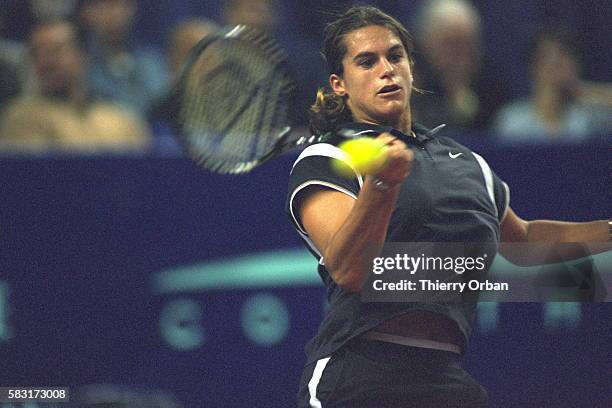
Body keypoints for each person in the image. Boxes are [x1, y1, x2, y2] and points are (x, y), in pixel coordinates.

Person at [285, 6, 611, 407]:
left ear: (412, 68)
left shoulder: (469, 163)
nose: (385, 69)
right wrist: (382, 183)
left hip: (445, 377)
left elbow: (523, 239)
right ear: (340, 84)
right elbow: (351, 270)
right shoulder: (327, 158)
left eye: (395, 56)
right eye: (366, 62)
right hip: (358, 375)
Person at [0, 19, 150, 152]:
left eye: (54, 51)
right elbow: (35, 177)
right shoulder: (22, 117)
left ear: (82, 56)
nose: (44, 62)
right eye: (36, 54)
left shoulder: (122, 120)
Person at [493, 24, 612, 144]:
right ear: (533, 68)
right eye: (547, 60)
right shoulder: (513, 121)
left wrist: (582, 90)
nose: (555, 67)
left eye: (562, 60)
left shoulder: (588, 119)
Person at [410, 0, 510, 132]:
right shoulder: (412, 79)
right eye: (452, 44)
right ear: (427, 42)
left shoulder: (491, 80)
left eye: (468, 44)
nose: (461, 53)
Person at [76, 0, 168, 115]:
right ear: (85, 13)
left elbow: (164, 102)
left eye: (120, 5)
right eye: (103, 6)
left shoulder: (150, 59)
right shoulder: (80, 66)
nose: (114, 14)